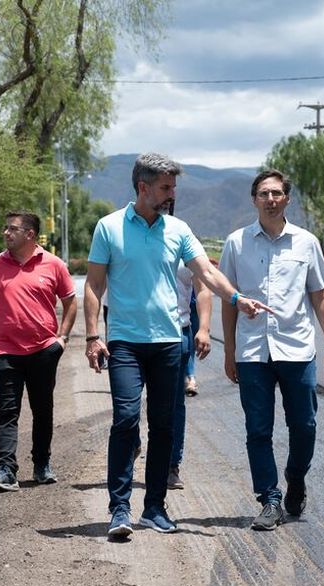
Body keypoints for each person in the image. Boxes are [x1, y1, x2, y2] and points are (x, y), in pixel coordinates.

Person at [83, 152, 270, 540]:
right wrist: (92, 336)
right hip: (125, 343)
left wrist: (237, 299)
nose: (172, 194)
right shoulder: (109, 227)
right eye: (166, 187)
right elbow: (93, 284)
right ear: (143, 187)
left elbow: (206, 273)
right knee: (126, 419)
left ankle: (153, 508)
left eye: (173, 187)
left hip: (169, 342)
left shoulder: (178, 230)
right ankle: (119, 507)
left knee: (165, 426)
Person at [219, 169, 324, 531]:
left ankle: (296, 476)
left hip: (296, 349)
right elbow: (229, 300)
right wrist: (229, 351)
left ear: (287, 198)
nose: (270, 199)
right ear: (254, 199)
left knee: (304, 425)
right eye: (263, 194)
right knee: (258, 429)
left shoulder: (306, 242)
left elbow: (320, 295)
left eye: (276, 193)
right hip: (253, 352)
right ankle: (269, 499)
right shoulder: (236, 244)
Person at [0, 211, 77, 491]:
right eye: (5, 228)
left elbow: (70, 302)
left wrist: (62, 338)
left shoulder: (53, 264)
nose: (6, 233)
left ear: (30, 234)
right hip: (4, 351)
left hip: (43, 350)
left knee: (42, 409)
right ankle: (6, 469)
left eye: (12, 229)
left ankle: (42, 464)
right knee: (7, 411)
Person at [167, 265, 211, 490]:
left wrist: (204, 328)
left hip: (176, 332)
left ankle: (171, 466)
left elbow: (205, 283)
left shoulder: (184, 238)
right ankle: (132, 443)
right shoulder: (123, 233)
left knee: (174, 404)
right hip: (134, 334)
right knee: (128, 409)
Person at [183, 292, 201, 396]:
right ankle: (190, 377)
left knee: (193, 339)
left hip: (194, 299)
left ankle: (189, 376)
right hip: (179, 301)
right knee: (187, 338)